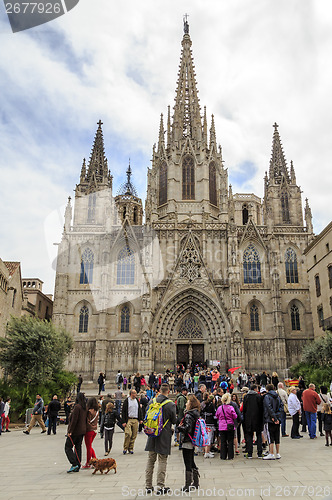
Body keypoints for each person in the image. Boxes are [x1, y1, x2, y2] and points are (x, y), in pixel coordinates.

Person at [145, 383, 177, 495]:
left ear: (159, 390)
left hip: (152, 434)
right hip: (163, 435)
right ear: (168, 391)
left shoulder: (151, 402)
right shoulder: (170, 404)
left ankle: (148, 485)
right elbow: (174, 420)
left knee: (151, 460)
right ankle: (160, 486)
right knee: (162, 460)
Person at [177, 394, 201, 492]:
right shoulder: (195, 413)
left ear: (190, 404)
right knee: (191, 460)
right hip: (192, 440)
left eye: (187, 402)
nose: (186, 404)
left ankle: (187, 484)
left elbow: (187, 428)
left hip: (187, 440)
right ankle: (196, 482)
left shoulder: (188, 415)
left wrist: (179, 427)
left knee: (187, 462)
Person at [65, 392, 87, 473]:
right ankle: (78, 464)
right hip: (82, 431)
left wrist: (70, 431)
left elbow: (74, 420)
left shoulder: (77, 407)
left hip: (75, 431)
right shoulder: (84, 407)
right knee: (78, 447)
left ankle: (74, 464)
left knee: (68, 447)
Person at [263, 384, 283, 460]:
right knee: (277, 435)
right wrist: (277, 417)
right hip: (277, 419)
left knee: (270, 436)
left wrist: (273, 417)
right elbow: (281, 406)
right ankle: (277, 453)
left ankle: (271, 453)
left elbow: (269, 407)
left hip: (270, 419)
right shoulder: (277, 396)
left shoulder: (267, 397)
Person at [243, 384, 263, 458]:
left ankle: (250, 453)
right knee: (259, 435)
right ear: (255, 389)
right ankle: (260, 453)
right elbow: (261, 409)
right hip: (258, 419)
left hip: (248, 419)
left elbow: (244, 409)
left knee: (249, 436)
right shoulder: (258, 397)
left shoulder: (246, 397)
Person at [215, 393, 237, 460]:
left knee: (223, 441)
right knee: (230, 441)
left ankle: (223, 456)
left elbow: (217, 416)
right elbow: (235, 416)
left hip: (222, 426)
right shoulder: (230, 408)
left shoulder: (219, 408)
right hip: (230, 426)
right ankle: (230, 456)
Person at [121, 389, 143, 454]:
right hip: (128, 419)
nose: (136, 394)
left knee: (134, 435)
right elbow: (123, 411)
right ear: (131, 394)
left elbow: (139, 410)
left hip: (135, 419)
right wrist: (123, 421)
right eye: (134, 393)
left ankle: (131, 448)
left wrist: (140, 419)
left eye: (136, 393)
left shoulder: (137, 401)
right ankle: (125, 447)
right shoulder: (127, 401)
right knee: (128, 434)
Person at [82, 397, 99, 468]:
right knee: (90, 446)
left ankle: (88, 463)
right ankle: (95, 460)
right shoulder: (97, 411)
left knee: (88, 447)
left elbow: (87, 421)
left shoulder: (89, 411)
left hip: (89, 430)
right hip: (94, 430)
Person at [201, 393, 216, 458]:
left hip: (204, 422)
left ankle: (206, 451)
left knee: (205, 437)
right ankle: (207, 452)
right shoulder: (211, 405)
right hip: (210, 423)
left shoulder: (203, 405)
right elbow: (214, 414)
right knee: (209, 438)